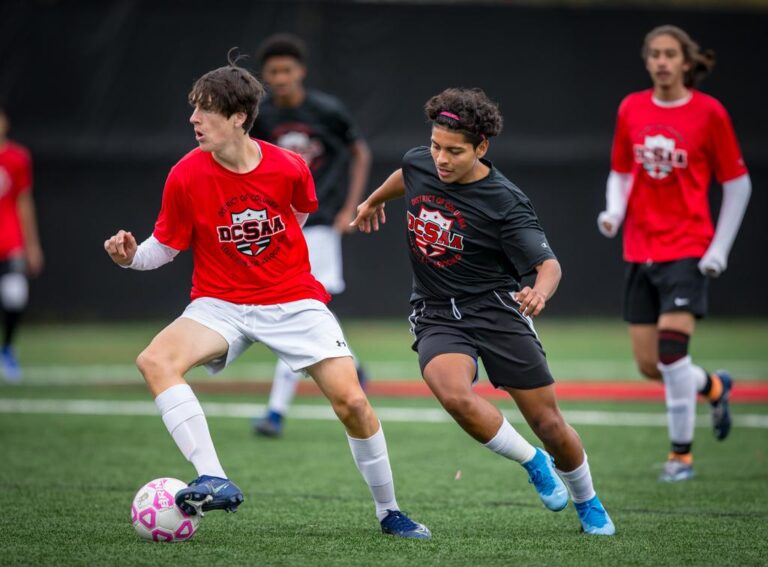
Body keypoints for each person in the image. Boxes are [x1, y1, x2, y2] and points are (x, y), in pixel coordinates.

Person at [103, 55, 430, 539]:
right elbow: (164, 249)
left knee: (353, 403)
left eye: (205, 110)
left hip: (293, 299)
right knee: (154, 360)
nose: (194, 119)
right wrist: (130, 256)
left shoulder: (290, 167)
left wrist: (272, 269)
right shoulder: (185, 174)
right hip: (219, 304)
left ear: (237, 118)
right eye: (192, 109)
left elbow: (297, 218)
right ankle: (213, 475)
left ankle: (390, 512)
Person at [352, 88, 615, 535]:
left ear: (481, 148)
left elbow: (548, 265)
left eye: (455, 151)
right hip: (435, 310)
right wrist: (375, 199)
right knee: (454, 394)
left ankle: (587, 499)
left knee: (548, 423)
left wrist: (540, 292)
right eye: (436, 146)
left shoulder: (505, 201)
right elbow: (406, 174)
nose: (441, 159)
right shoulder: (421, 161)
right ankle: (533, 461)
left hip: (496, 310)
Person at [597, 25, 751, 482]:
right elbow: (620, 171)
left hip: (688, 246)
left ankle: (680, 457)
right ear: (647, 61)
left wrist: (718, 249)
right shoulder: (631, 107)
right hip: (640, 248)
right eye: (655, 55)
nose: (663, 62)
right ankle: (716, 386)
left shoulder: (710, 113)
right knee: (651, 365)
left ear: (686, 62)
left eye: (671, 55)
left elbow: (738, 185)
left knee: (670, 353)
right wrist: (613, 211)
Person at [249, 33, 372, 438]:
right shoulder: (260, 117)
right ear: (264, 77)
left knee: (296, 310)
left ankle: (275, 412)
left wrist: (351, 206)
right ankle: (351, 367)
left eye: (287, 70)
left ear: (300, 71)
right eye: (273, 72)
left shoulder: (326, 110)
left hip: (317, 224)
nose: (281, 78)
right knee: (305, 310)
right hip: (279, 227)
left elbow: (360, 153)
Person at [0, 105, 44, 382]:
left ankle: (7, 350)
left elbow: (24, 201)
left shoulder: (17, 158)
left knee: (15, 295)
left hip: (9, 238)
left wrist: (32, 245)